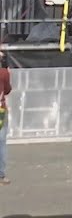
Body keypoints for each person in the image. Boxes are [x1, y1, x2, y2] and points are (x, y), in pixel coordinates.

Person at [0, 49, 11, 185]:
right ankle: (1, 175)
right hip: (1, 109)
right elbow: (7, 90)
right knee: (1, 142)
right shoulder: (3, 73)